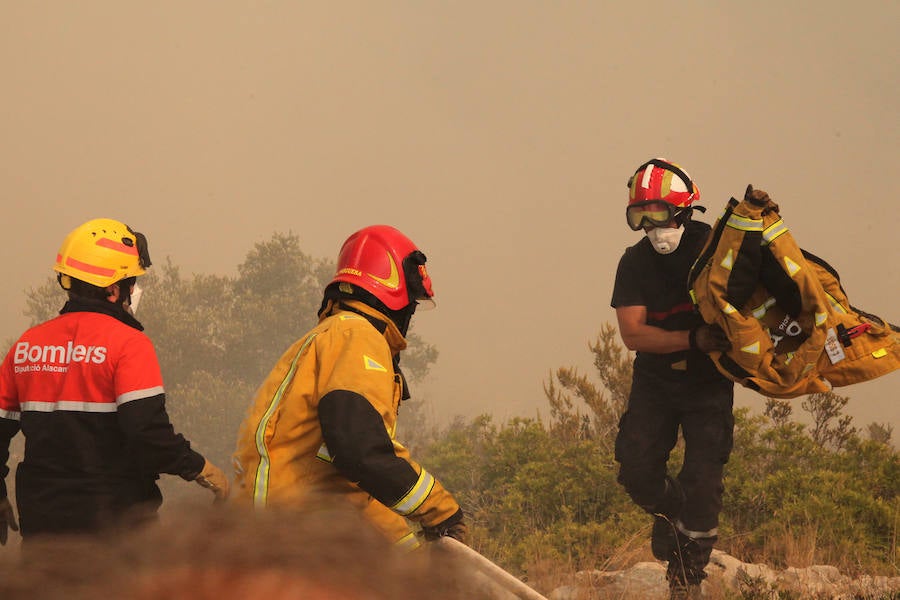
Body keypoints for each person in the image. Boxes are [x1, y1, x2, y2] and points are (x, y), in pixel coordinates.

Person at [232, 225, 465, 550]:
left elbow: (347, 478)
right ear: (396, 292)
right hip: (289, 542)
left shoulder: (333, 336)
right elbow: (361, 451)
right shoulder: (358, 338)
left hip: (279, 530)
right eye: (413, 303)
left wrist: (408, 551)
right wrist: (441, 512)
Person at [0, 218, 229, 544]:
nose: (134, 291)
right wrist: (198, 467)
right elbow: (146, 431)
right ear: (113, 290)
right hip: (116, 529)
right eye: (131, 283)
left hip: (42, 525)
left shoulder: (26, 345)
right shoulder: (128, 344)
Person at [611, 159, 734, 599]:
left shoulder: (715, 251)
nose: (651, 227)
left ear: (684, 210)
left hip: (707, 385)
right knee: (636, 470)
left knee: (704, 480)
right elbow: (633, 334)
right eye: (639, 217)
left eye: (659, 214)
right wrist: (693, 338)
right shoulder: (633, 263)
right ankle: (669, 514)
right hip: (655, 383)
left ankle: (685, 581)